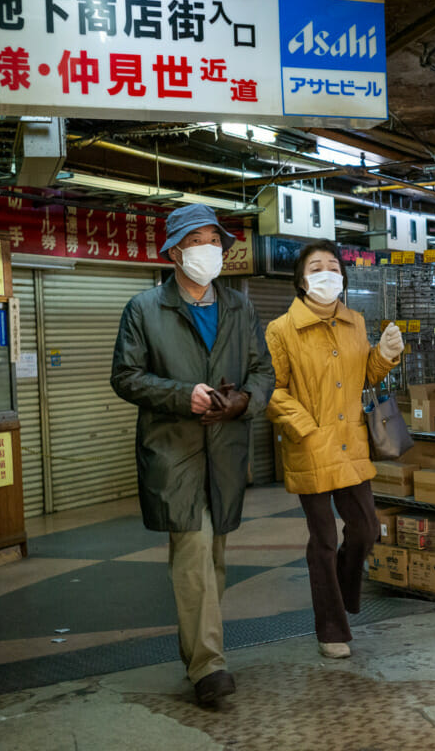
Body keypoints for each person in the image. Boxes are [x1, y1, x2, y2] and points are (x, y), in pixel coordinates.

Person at [110, 204, 274, 709]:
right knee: (194, 549)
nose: (210, 249)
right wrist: (186, 396)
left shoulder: (240, 308)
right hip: (174, 450)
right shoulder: (144, 309)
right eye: (198, 239)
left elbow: (262, 372)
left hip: (225, 450)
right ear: (175, 250)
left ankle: (202, 647)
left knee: (215, 558)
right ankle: (208, 665)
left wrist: (244, 400)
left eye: (214, 240)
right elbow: (126, 376)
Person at [265, 240, 404, 660]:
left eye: (333, 266)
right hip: (310, 445)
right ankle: (331, 628)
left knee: (366, 530)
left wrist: (385, 355)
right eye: (316, 266)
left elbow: (364, 376)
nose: (326, 272)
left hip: (352, 444)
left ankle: (339, 594)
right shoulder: (281, 330)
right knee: (324, 539)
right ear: (302, 278)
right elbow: (272, 390)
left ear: (342, 276)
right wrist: (306, 429)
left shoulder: (355, 322)